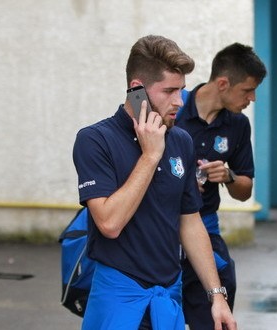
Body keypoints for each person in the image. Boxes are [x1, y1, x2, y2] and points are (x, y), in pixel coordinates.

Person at [72, 35, 237, 330]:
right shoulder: (95, 140)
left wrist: (217, 296)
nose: (179, 101)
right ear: (137, 90)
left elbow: (190, 222)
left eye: (182, 90)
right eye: (170, 91)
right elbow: (109, 223)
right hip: (118, 299)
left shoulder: (181, 141)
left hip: (167, 297)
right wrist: (150, 156)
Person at [175, 42, 266, 329]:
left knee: (218, 308)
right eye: (247, 90)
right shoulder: (174, 109)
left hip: (206, 227)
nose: (252, 98)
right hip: (161, 230)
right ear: (223, 83)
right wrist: (182, 181)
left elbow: (245, 190)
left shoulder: (238, 125)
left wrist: (228, 176)